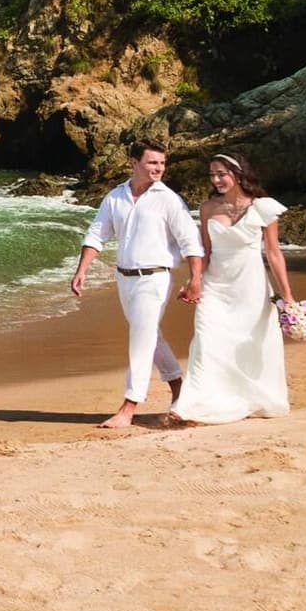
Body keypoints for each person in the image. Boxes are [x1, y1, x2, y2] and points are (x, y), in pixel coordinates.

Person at [70, 141, 204, 428]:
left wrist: (196, 279)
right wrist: (82, 269)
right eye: (153, 162)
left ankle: (128, 407)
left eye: (162, 163)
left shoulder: (169, 199)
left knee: (140, 341)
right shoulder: (115, 196)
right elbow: (97, 234)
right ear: (134, 162)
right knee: (149, 335)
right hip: (124, 278)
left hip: (154, 278)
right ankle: (179, 388)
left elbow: (190, 241)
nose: (159, 168)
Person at [168, 154, 292, 424]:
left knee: (251, 343)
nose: (215, 179)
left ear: (237, 173)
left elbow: (273, 253)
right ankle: (193, 405)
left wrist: (288, 296)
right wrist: (194, 281)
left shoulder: (264, 207)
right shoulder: (208, 208)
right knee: (205, 339)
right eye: (212, 174)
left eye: (221, 173)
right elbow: (205, 251)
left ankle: (247, 397)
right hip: (215, 286)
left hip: (251, 287)